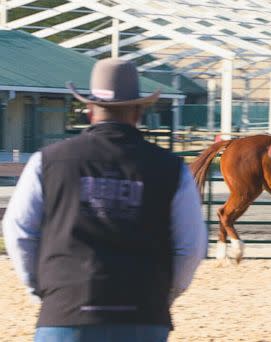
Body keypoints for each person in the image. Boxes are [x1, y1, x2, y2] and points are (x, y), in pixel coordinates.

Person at [2, 58, 207, 342]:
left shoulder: (47, 161)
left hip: (65, 311)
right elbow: (190, 247)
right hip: (143, 314)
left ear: (88, 109)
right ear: (138, 111)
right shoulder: (171, 169)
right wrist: (164, 294)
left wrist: (42, 289)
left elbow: (18, 230)